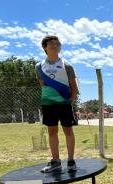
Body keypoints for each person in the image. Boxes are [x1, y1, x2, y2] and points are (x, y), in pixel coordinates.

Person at [35, 35, 79, 173]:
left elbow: (74, 88)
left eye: (57, 43)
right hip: (48, 104)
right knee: (52, 132)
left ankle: (71, 161)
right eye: (51, 43)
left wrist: (68, 101)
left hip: (64, 104)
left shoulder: (67, 65)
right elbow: (42, 85)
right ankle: (56, 161)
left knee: (68, 131)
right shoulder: (38, 66)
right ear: (44, 47)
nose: (54, 45)